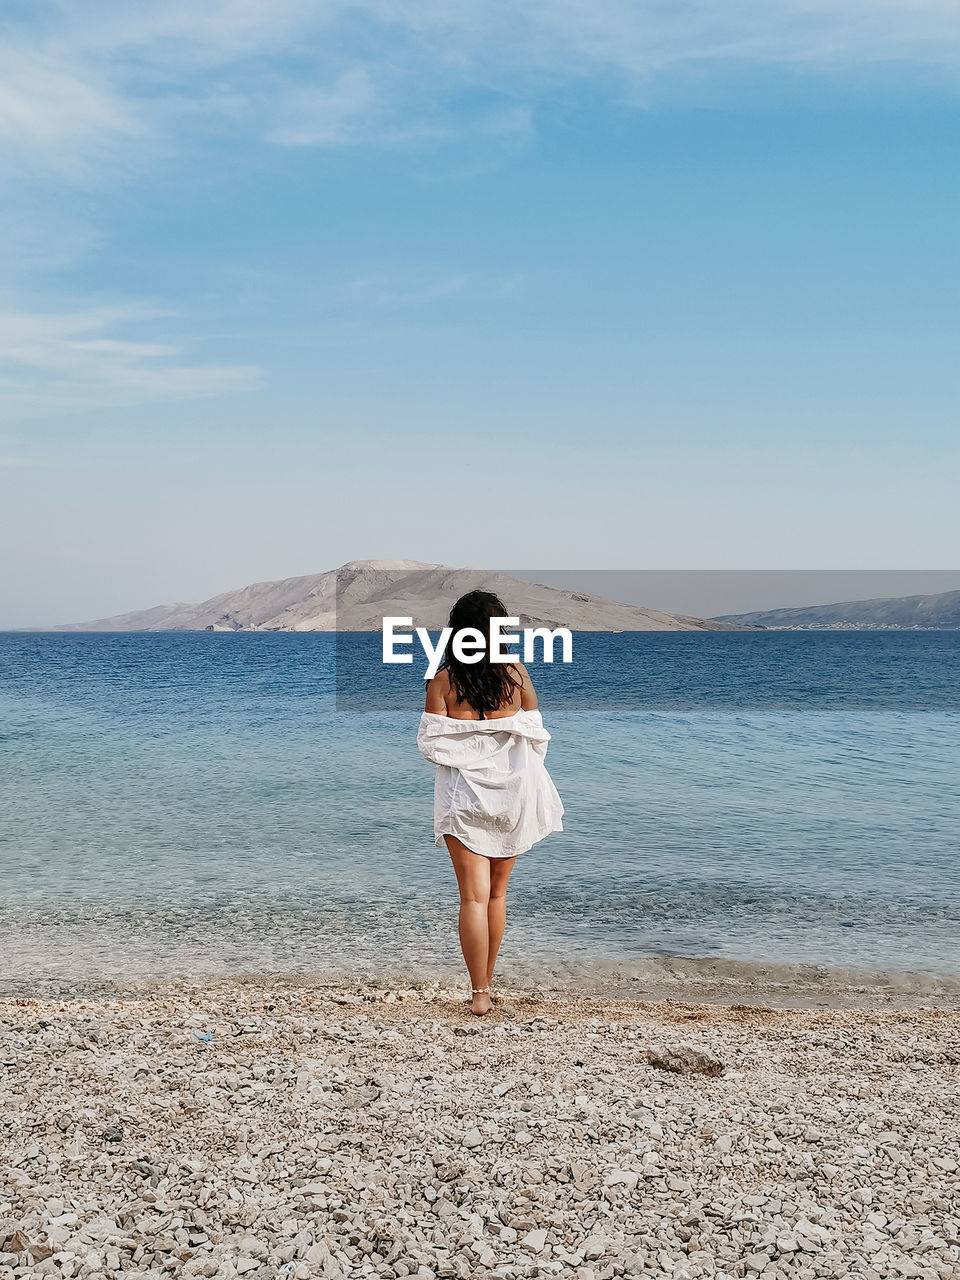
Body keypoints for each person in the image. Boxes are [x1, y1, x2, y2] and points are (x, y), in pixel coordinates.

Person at [417, 590, 564, 1015]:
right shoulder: (515, 675)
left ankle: (479, 992)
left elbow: (431, 746)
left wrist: (470, 748)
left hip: (464, 799)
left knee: (472, 899)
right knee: (497, 896)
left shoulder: (442, 681)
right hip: (514, 794)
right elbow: (536, 735)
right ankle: (489, 981)